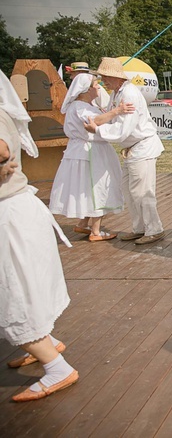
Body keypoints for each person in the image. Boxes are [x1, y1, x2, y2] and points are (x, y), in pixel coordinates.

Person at [0, 69, 78, 402]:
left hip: (10, 217)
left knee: (12, 296)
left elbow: (2, 154)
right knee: (26, 288)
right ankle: (43, 343)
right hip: (19, 212)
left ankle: (56, 365)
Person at [83, 57, 166, 245]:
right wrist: (107, 118)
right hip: (133, 148)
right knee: (130, 191)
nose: (104, 81)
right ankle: (140, 228)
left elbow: (123, 130)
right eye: (102, 77)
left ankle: (155, 229)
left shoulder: (129, 94)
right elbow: (114, 120)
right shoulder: (117, 93)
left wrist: (97, 129)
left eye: (106, 77)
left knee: (143, 191)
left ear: (117, 77)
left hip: (142, 147)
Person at [49, 73, 133, 241]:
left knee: (87, 188)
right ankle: (96, 231)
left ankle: (83, 224)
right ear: (86, 90)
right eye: (96, 85)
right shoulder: (80, 106)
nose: (99, 88)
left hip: (88, 150)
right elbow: (94, 121)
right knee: (97, 187)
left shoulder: (85, 105)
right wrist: (117, 111)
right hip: (90, 152)